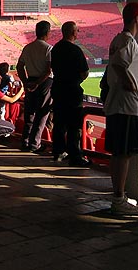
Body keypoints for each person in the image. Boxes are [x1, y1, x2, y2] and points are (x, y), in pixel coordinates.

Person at [105, 1, 138, 214]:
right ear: (136, 18)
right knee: (123, 154)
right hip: (126, 106)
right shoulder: (126, 41)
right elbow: (118, 65)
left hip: (119, 104)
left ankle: (119, 196)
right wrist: (131, 84)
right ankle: (118, 199)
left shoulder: (121, 40)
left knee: (119, 153)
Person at [50, 21, 90, 167]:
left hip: (58, 89)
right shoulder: (76, 50)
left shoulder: (55, 49)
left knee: (59, 122)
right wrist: (76, 80)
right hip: (72, 91)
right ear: (73, 33)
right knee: (74, 125)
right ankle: (75, 155)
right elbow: (84, 72)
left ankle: (58, 151)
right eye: (77, 31)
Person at [16, 20, 53, 153]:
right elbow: (48, 70)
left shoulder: (28, 48)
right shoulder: (49, 48)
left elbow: (20, 66)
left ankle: (25, 141)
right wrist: (38, 83)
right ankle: (35, 144)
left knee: (29, 113)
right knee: (42, 114)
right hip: (44, 83)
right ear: (48, 33)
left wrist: (26, 82)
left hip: (30, 80)